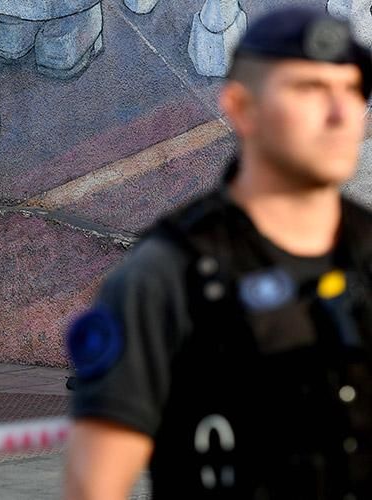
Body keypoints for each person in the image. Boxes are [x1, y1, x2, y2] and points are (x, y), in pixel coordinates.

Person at [64, 6, 372, 499]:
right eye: (308, 90)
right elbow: (95, 482)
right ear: (243, 108)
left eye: (353, 90)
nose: (340, 114)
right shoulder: (167, 275)